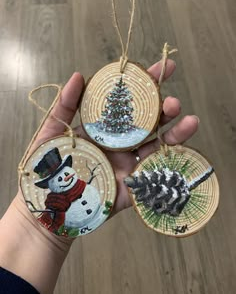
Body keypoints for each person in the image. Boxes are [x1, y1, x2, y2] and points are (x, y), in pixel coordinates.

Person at [0, 60, 199, 294]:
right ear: (49, 184)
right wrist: (36, 229)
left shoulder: (85, 186)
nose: (64, 179)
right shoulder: (54, 205)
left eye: (64, 173)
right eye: (58, 179)